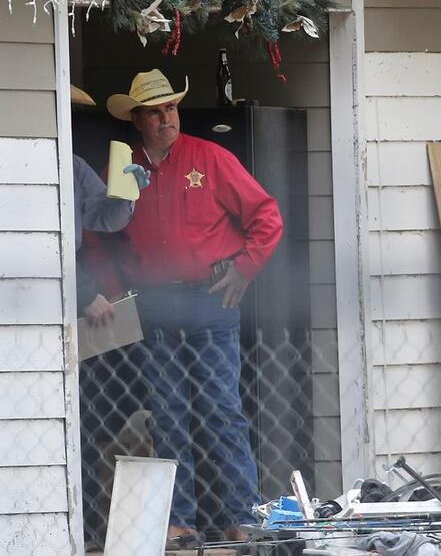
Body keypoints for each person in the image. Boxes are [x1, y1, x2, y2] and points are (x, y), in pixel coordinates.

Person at [105, 69, 283, 547]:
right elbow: (103, 237)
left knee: (221, 408)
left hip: (210, 298)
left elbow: (267, 214)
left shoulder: (211, 157)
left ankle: (243, 516)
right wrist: (109, 290)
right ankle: (178, 521)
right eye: (155, 112)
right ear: (137, 119)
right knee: (167, 412)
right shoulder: (123, 170)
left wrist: (245, 269)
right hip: (155, 303)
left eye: (171, 108)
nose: (166, 118)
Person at [70, 85, 150, 325]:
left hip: (67, 279)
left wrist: (127, 193)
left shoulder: (74, 165)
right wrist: (84, 293)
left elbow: (104, 219)